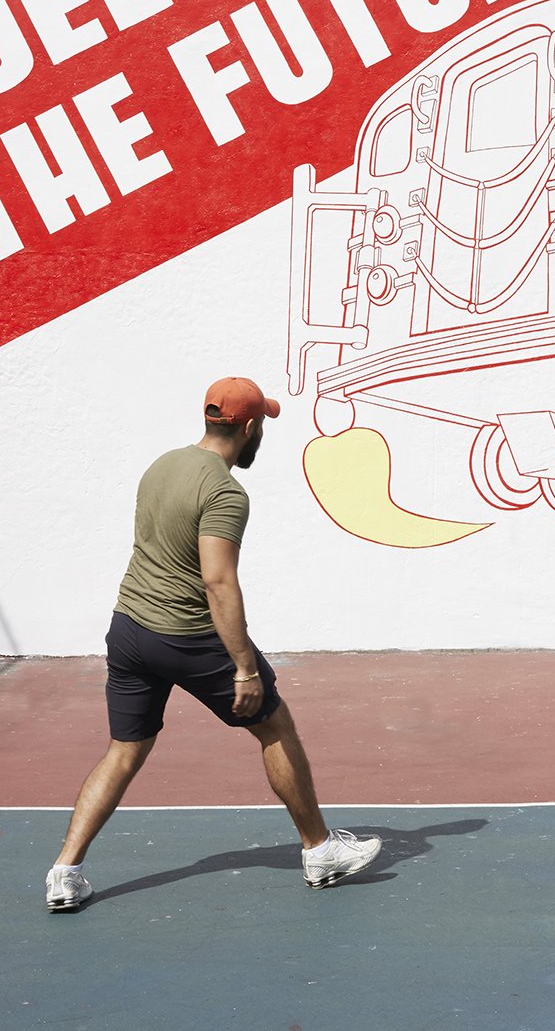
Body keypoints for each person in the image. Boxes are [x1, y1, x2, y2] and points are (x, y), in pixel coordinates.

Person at [45, 377, 381, 911]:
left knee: (124, 750)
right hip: (187, 636)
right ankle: (320, 851)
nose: (261, 434)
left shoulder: (161, 465)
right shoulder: (225, 492)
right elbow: (217, 582)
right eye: (262, 426)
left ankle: (65, 872)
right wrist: (244, 667)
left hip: (129, 629)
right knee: (275, 727)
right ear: (248, 428)